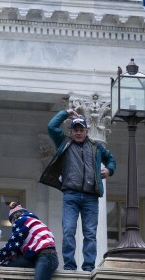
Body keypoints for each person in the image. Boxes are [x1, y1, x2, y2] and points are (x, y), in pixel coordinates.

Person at [40, 109, 116, 271]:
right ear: (71, 131)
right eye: (76, 130)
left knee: (89, 233)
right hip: (71, 195)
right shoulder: (64, 142)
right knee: (68, 230)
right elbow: (51, 127)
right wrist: (65, 113)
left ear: (87, 131)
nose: (79, 133)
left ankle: (88, 267)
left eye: (82, 130)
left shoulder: (96, 147)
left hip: (91, 196)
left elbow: (110, 159)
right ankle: (69, 266)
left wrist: (109, 170)